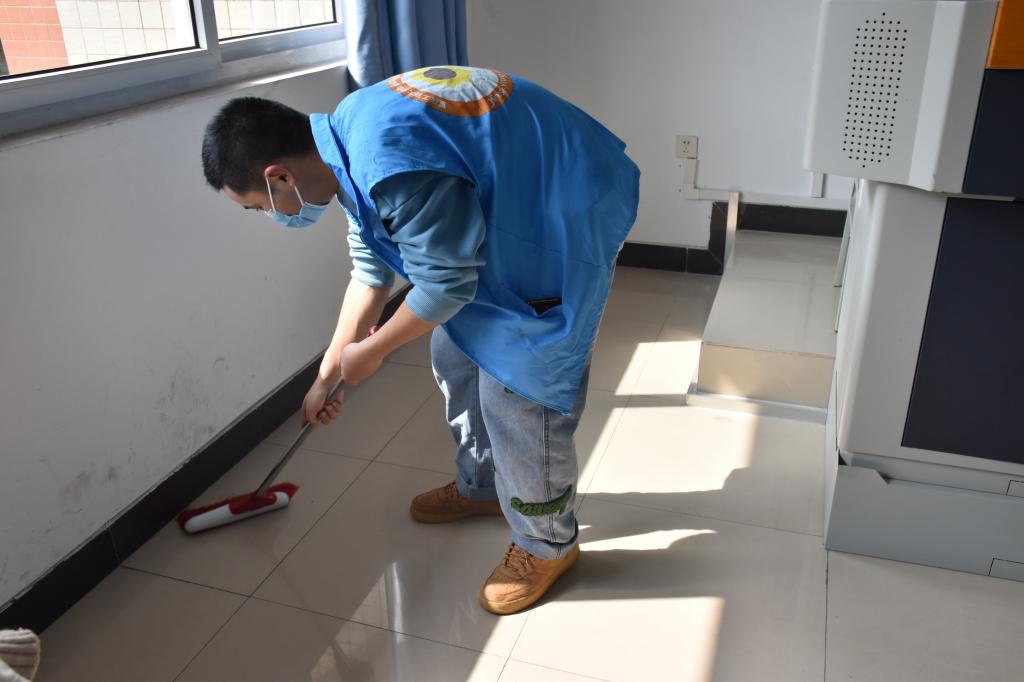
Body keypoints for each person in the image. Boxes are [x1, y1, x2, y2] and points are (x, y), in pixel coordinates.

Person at [201, 65, 639, 614]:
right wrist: (327, 374)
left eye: (259, 206)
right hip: (512, 196)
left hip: (559, 207)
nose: (268, 216)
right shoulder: (344, 141)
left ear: (279, 177)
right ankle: (484, 487)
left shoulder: (386, 162)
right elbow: (370, 272)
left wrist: (373, 350)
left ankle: (546, 542)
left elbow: (446, 285)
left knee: (520, 390)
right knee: (453, 352)